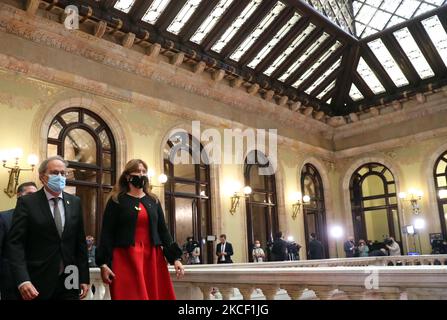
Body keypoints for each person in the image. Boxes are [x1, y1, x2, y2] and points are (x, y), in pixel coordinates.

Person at [96, 159, 184, 300]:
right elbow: (107, 233)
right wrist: (103, 263)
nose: (141, 174)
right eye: (137, 171)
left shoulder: (153, 200)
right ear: (127, 176)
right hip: (125, 257)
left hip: (152, 256)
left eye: (144, 171)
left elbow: (163, 230)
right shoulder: (116, 200)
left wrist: (175, 259)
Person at [6, 156, 90, 300]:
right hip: (36, 280)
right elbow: (15, 243)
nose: (60, 176)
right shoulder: (27, 203)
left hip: (69, 279)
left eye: (63, 173)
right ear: (42, 177)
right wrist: (23, 279)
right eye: (55, 173)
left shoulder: (75, 202)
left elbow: (79, 243)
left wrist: (84, 277)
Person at [0, 182, 38, 300]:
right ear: (19, 196)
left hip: (36, 281)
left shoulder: (39, 220)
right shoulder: (4, 217)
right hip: (11, 283)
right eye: (30, 194)